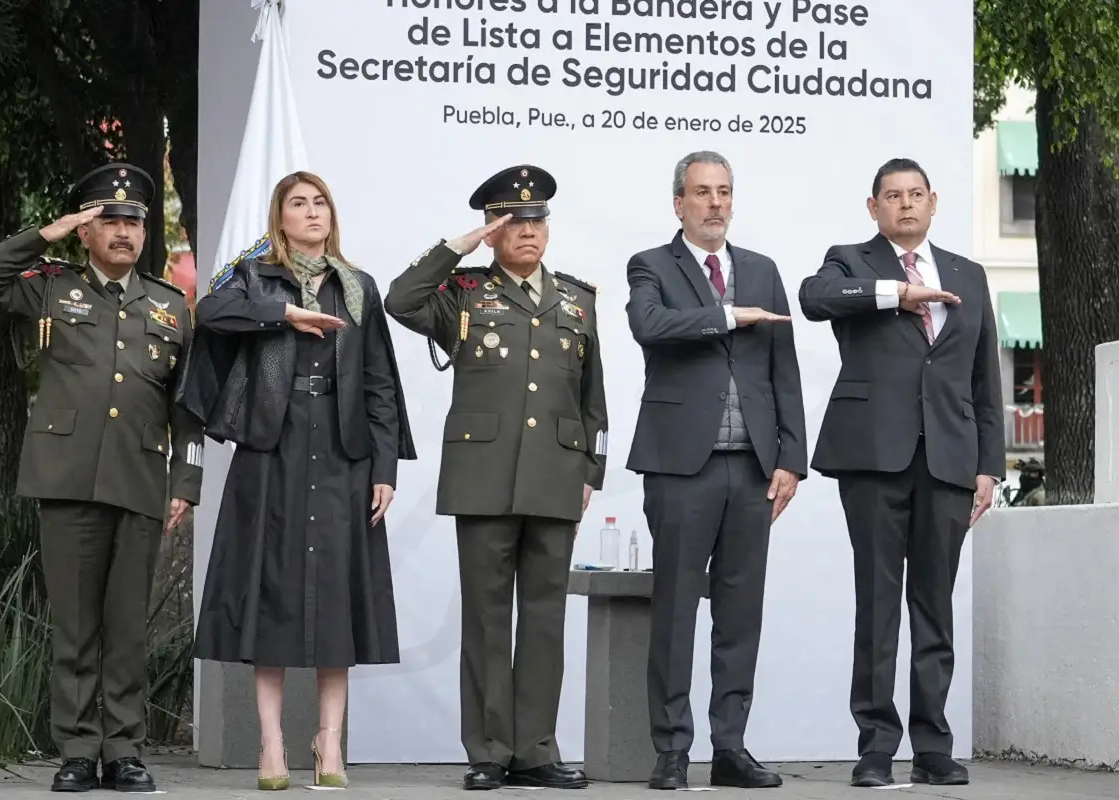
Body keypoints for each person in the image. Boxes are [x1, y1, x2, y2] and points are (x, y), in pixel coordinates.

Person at [0, 162, 202, 793]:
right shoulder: (48, 288)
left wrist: (186, 483)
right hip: (66, 478)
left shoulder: (172, 306)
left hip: (141, 478)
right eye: (109, 222)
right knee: (74, 625)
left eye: (134, 223)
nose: (124, 232)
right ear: (87, 233)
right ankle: (76, 750)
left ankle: (124, 750)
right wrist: (48, 232)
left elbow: (188, 407)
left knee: (126, 628)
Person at [175, 171, 416, 791]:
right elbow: (209, 310)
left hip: (344, 452)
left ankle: (329, 743)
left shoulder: (357, 285)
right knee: (271, 597)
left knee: (338, 598)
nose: (312, 213)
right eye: (298, 204)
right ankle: (272, 745)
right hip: (272, 448)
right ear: (279, 219)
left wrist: (384, 467)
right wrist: (283, 313)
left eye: (320, 203)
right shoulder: (256, 276)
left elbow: (381, 382)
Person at [384, 165, 608, 791]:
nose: (528, 232)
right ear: (493, 228)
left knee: (544, 618)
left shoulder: (578, 299)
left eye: (537, 221)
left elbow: (595, 400)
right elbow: (400, 299)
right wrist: (460, 246)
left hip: (557, 476)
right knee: (486, 617)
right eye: (513, 221)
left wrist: (592, 468)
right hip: (483, 477)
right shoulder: (463, 292)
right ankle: (489, 749)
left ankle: (536, 749)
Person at [798, 158, 1005, 788]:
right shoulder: (851, 262)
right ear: (874, 207)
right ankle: (875, 745)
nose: (906, 205)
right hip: (873, 455)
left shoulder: (968, 274)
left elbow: (985, 379)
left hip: (948, 458)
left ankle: (934, 744)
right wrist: (898, 293)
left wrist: (989, 466)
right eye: (893, 196)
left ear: (934, 202)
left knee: (934, 605)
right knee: (878, 602)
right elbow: (814, 298)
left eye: (916, 195)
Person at [624, 151, 806, 791]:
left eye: (724, 192)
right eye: (701, 193)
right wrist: (729, 315)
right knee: (675, 611)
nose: (715, 204)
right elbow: (649, 326)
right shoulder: (651, 265)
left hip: (753, 468)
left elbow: (784, 369)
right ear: (678, 203)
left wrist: (791, 458)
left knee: (740, 613)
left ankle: (730, 748)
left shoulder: (763, 269)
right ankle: (672, 751)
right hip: (681, 467)